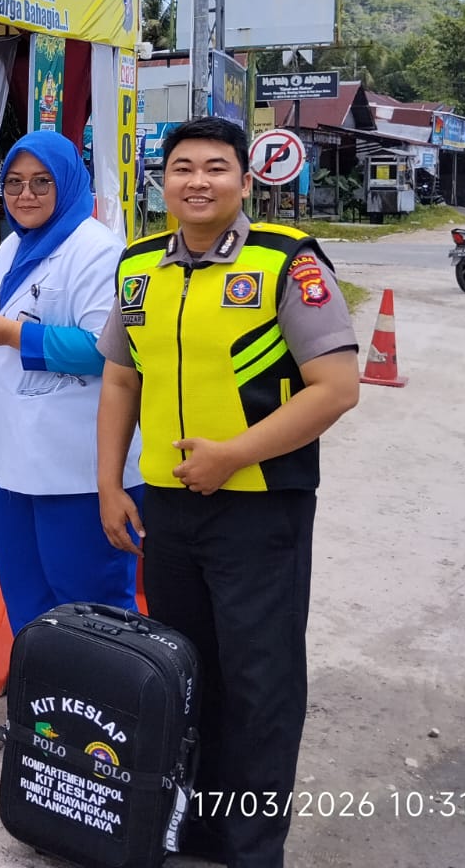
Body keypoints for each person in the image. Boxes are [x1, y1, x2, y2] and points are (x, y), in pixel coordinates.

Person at [95, 116, 360, 867]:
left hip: (260, 508)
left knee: (259, 683)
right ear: (163, 182)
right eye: (182, 167)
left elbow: (337, 387)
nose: (198, 181)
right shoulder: (138, 265)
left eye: (216, 168)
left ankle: (251, 848)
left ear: (245, 181)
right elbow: (121, 379)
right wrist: (109, 483)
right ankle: (198, 825)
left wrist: (232, 456)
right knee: (188, 673)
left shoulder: (287, 261)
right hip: (168, 509)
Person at [0, 130, 143, 633]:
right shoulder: (13, 246)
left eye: (42, 182)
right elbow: (2, 323)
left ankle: (99, 689)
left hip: (76, 468)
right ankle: (38, 688)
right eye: (13, 183)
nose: (25, 195)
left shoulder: (98, 251)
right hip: (9, 457)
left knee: (91, 609)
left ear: (68, 182)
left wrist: (14, 335)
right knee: (27, 601)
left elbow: (106, 351)